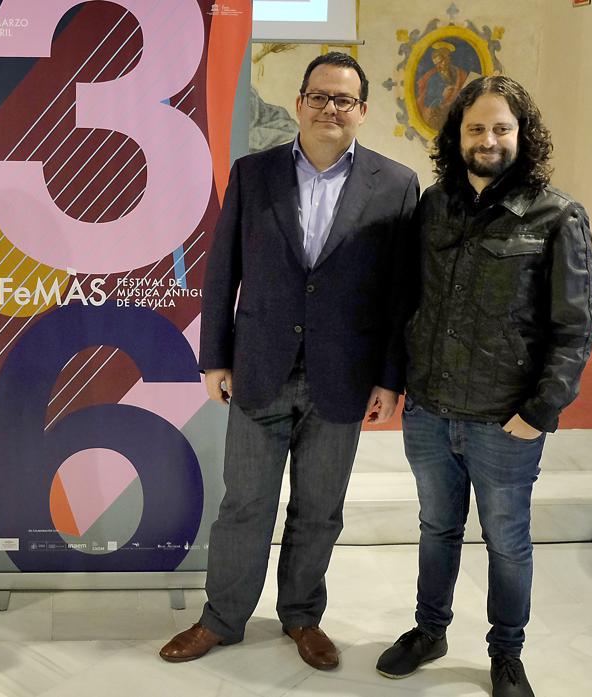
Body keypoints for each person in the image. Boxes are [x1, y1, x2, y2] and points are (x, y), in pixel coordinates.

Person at [159, 52, 420, 668]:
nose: (331, 108)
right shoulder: (254, 174)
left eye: (344, 100)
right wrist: (214, 356)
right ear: (300, 103)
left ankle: (302, 617)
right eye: (320, 96)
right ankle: (222, 619)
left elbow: (399, 295)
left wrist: (390, 377)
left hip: (345, 376)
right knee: (245, 503)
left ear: (361, 111)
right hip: (260, 367)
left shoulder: (396, 185)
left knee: (320, 508)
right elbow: (223, 270)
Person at [375, 76, 592, 697]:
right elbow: (407, 301)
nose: (489, 139)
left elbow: (576, 327)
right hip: (429, 409)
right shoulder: (433, 205)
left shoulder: (558, 215)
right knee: (436, 528)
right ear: (458, 135)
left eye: (502, 128)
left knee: (507, 541)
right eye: (476, 128)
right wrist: (401, 385)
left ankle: (506, 653)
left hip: (505, 419)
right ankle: (430, 630)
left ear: (522, 136)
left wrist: (540, 411)